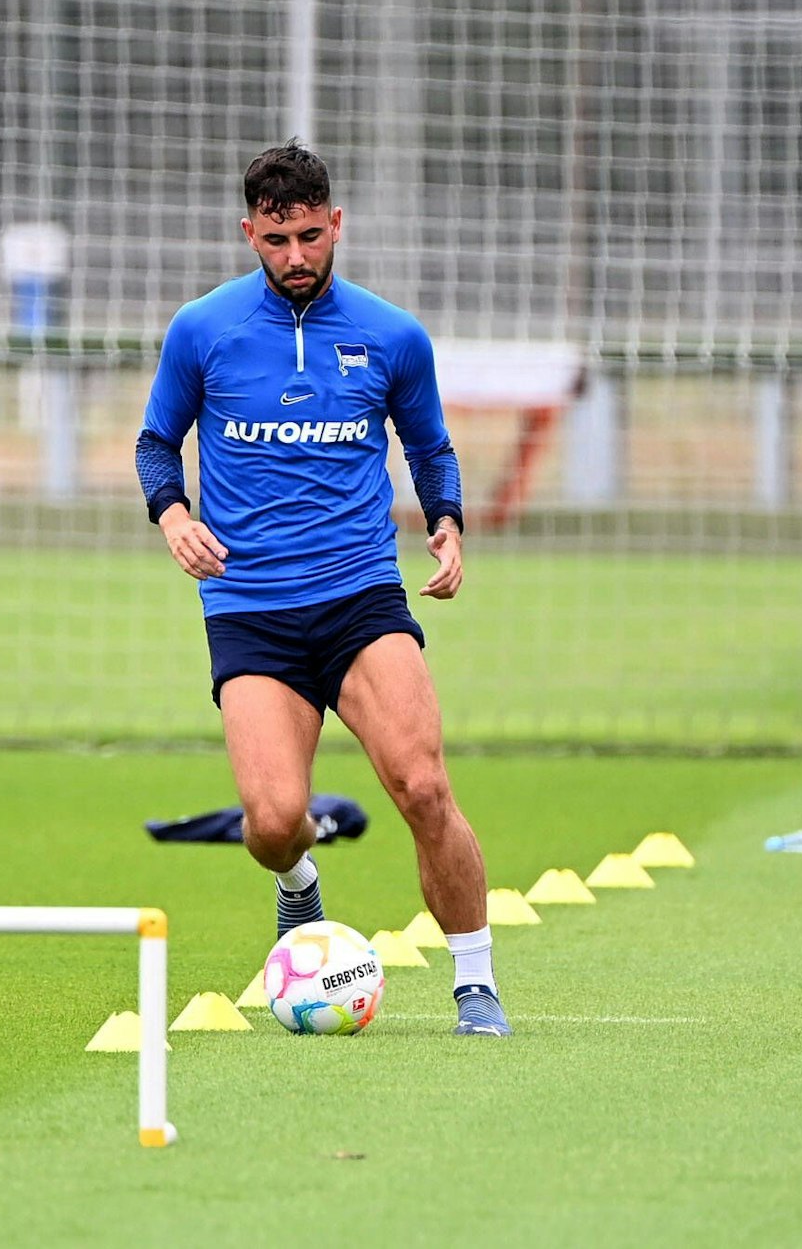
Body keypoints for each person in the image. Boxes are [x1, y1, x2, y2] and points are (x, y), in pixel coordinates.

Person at [134, 140, 510, 1037]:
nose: (295, 257)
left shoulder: (390, 334)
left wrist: (448, 520)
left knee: (422, 785)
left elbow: (429, 446)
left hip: (360, 596)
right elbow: (157, 443)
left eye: (309, 236)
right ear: (248, 233)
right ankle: (300, 882)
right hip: (250, 607)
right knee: (270, 822)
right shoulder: (203, 329)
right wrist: (174, 516)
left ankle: (476, 983)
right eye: (275, 241)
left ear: (335, 223)